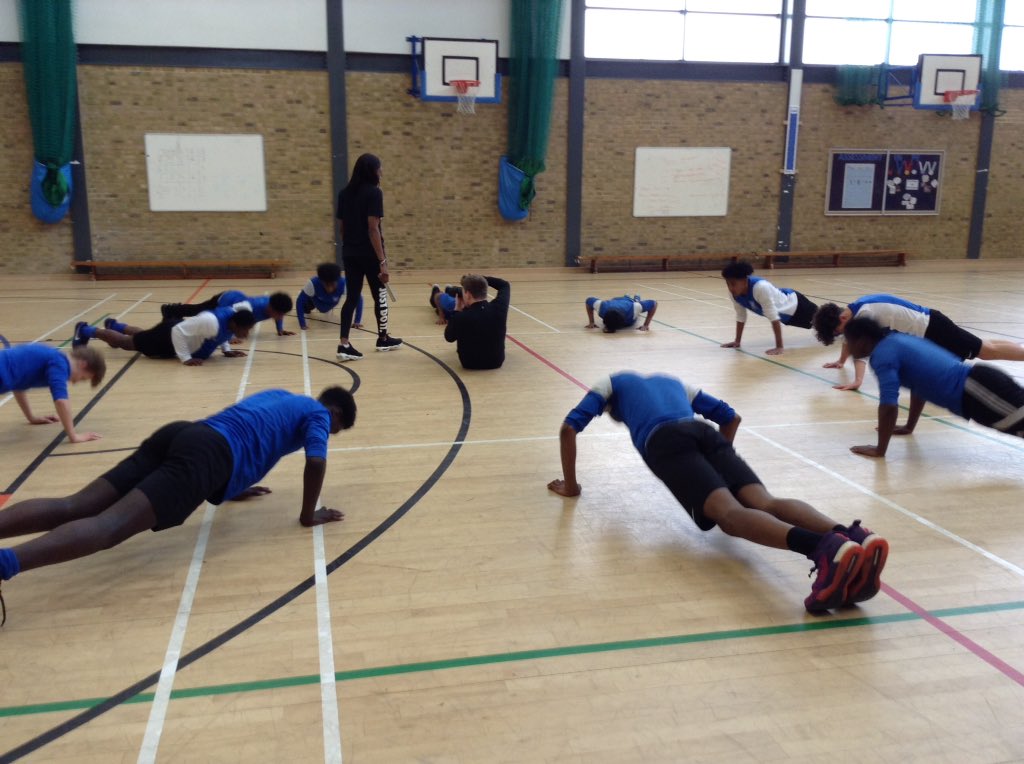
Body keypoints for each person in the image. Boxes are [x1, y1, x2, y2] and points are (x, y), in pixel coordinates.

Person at [0, 386, 357, 622]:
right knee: (108, 527)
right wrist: (309, 515)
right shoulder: (320, 416)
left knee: (76, 505)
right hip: (205, 458)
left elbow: (248, 431)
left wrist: (230, 486)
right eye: (336, 430)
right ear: (336, 415)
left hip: (185, 433)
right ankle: (5, 563)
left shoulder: (282, 395)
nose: (330, 432)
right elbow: (316, 460)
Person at [547, 371, 889, 613]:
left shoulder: (609, 383)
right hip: (705, 432)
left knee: (729, 516)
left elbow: (568, 428)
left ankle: (822, 549)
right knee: (764, 501)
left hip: (665, 443)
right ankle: (850, 536)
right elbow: (731, 417)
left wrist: (572, 486)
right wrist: (715, 472)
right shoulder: (674, 383)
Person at [843, 316, 1024, 457]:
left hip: (976, 391)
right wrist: (909, 426)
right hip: (978, 388)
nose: (849, 349)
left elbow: (888, 405)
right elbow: (919, 386)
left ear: (862, 341)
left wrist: (880, 449)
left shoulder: (882, 356)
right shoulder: (895, 340)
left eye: (849, 342)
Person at [813, 293, 1024, 391]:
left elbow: (861, 352)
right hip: (932, 324)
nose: (844, 335)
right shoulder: (856, 308)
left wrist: (857, 381)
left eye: (839, 332)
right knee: (984, 345)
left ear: (842, 318)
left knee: (985, 351)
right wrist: (841, 361)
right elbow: (851, 339)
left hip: (934, 329)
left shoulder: (865, 315)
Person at [335, 153, 402, 360]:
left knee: (352, 298)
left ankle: (344, 344)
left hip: (350, 252)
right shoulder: (374, 193)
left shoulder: (344, 193)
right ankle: (382, 338)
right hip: (370, 254)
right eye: (379, 168)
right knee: (380, 295)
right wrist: (382, 262)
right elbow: (373, 229)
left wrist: (350, 248)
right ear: (372, 171)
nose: (381, 171)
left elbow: (342, 228)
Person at [73, 307, 256, 366]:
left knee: (142, 335)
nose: (246, 334)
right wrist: (185, 358)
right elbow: (178, 332)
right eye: (245, 330)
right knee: (128, 343)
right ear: (234, 324)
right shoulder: (211, 321)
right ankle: (86, 330)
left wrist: (227, 350)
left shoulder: (230, 322)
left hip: (172, 334)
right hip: (169, 336)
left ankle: (116, 326)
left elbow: (222, 335)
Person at [0, 344, 105, 443]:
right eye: (82, 378)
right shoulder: (59, 364)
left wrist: (31, 417)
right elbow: (61, 402)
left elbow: (18, 386)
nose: (75, 382)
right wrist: (74, 436)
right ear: (83, 364)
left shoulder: (54, 357)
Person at [719, 262, 818, 355]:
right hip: (788, 317)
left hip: (796, 305)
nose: (730, 288)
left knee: (827, 322)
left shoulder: (760, 288)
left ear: (744, 281)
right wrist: (737, 341)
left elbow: (773, 317)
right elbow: (741, 316)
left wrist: (779, 347)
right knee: (821, 328)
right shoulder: (734, 295)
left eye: (733, 284)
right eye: (728, 284)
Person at [443, 274, 511, 370]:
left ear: (468, 294)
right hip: (496, 362)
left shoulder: (460, 317)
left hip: (469, 363)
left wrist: (456, 311)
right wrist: (481, 278)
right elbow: (504, 285)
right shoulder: (499, 308)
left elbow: (449, 337)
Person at [162, 290, 296, 337]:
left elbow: (279, 315)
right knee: (200, 311)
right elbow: (230, 318)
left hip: (235, 298)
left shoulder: (273, 309)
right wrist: (231, 335)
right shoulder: (252, 308)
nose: (281, 317)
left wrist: (280, 329)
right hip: (225, 301)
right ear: (272, 309)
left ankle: (174, 310)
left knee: (198, 309)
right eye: (280, 314)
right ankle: (170, 309)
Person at [296, 262, 363, 332]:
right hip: (314, 301)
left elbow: (358, 298)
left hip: (329, 302)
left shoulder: (344, 283)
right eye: (327, 285)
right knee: (306, 307)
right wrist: (302, 323)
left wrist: (357, 321)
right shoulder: (312, 283)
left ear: (337, 280)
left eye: (332, 284)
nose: (330, 289)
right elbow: (299, 301)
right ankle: (308, 300)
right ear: (321, 281)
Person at [585, 294, 658, 332]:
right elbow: (588, 300)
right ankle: (627, 296)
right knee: (627, 298)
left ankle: (635, 298)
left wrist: (646, 325)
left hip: (630, 303)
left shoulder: (634, 308)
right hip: (616, 300)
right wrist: (591, 322)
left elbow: (654, 303)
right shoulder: (602, 307)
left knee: (636, 301)